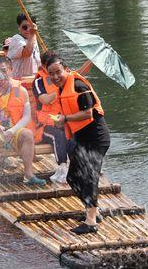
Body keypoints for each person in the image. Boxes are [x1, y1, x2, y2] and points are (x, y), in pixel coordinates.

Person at [47, 55, 110, 235]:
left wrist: (65, 119)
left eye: (58, 72)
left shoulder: (79, 86)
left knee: (89, 176)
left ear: (66, 69)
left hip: (96, 138)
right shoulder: (62, 88)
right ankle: (94, 212)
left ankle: (90, 222)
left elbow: (88, 114)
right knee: (73, 177)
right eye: (51, 74)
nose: (55, 76)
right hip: (82, 138)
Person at [0, 55, 47, 190]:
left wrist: (12, 131)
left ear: (10, 70)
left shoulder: (21, 90)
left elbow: (26, 117)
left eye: (3, 70)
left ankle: (29, 174)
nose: (0, 74)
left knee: (27, 133)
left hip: (14, 130)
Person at [32, 51, 69, 183]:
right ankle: (63, 168)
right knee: (57, 135)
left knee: (76, 130)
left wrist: (90, 62)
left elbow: (78, 74)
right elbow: (45, 100)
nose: (54, 74)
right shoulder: (38, 81)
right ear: (43, 66)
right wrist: (59, 90)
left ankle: (86, 164)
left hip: (63, 120)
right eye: (49, 68)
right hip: (45, 126)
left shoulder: (64, 77)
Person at [6, 13, 41, 79]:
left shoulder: (33, 37)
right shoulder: (16, 39)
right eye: (25, 27)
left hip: (33, 79)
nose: (28, 30)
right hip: (19, 81)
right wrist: (32, 34)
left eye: (30, 27)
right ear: (19, 27)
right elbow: (27, 53)